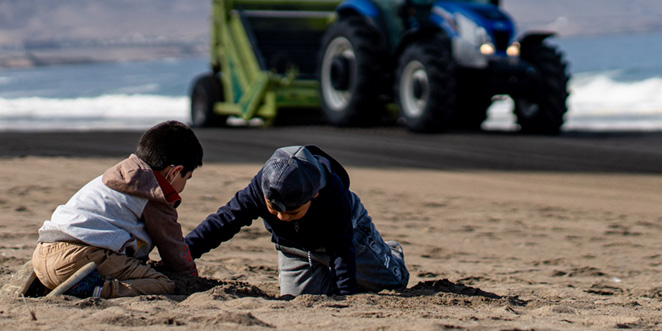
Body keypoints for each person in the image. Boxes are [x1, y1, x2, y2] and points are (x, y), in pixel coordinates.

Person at [184, 145, 408, 296]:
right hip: (296, 248)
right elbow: (222, 222)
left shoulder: (332, 193)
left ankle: (390, 252)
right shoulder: (259, 189)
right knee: (298, 298)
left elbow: (342, 249)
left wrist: (345, 296)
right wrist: (183, 253)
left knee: (394, 283)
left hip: (350, 237)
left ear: (314, 196)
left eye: (292, 212)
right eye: (274, 211)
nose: (282, 218)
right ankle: (324, 274)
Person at [31, 120, 202, 299]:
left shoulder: (115, 177)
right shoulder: (154, 193)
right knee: (162, 284)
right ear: (174, 172)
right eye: (187, 178)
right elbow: (173, 248)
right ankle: (93, 290)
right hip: (79, 258)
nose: (184, 185)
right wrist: (190, 277)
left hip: (42, 254)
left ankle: (41, 284)